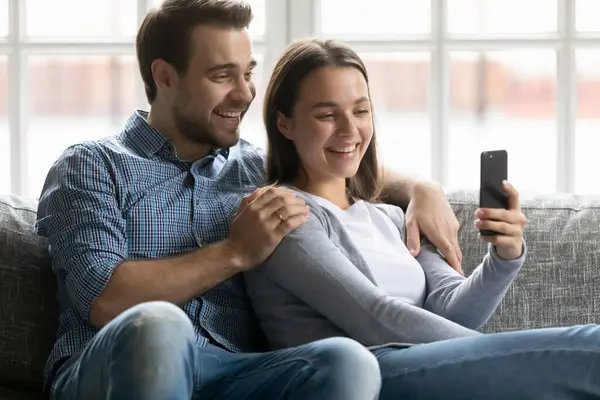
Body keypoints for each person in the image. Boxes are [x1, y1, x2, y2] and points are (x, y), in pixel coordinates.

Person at [34, 1, 464, 399]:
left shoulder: (257, 169)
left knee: (344, 359)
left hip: (233, 372)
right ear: (164, 76)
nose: (244, 93)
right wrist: (234, 252)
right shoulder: (92, 165)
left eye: (247, 72)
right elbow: (105, 299)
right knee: (159, 325)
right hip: (111, 369)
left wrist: (422, 190)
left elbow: (343, 162)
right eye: (222, 76)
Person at [244, 37, 600, 399]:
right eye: (327, 114)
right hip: (368, 375)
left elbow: (454, 310)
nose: (350, 130)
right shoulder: (282, 215)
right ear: (284, 124)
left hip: (428, 371)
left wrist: (504, 258)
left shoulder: (390, 217)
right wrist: (511, 356)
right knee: (590, 349)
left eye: (361, 111)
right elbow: (375, 318)